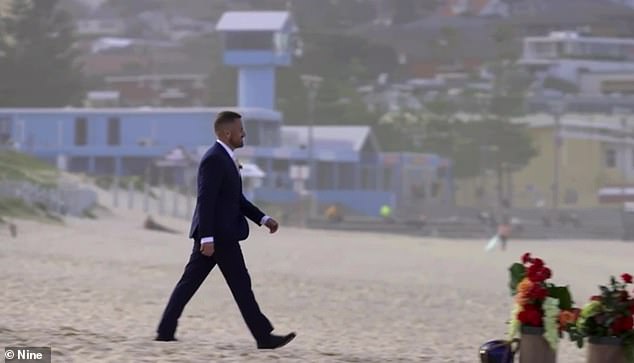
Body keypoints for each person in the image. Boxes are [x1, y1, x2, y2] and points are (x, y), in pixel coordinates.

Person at [155, 111, 296, 349]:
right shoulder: (214, 159)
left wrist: (263, 218)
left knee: (190, 284)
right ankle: (263, 337)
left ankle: (165, 330)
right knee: (241, 284)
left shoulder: (226, 158)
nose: (244, 133)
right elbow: (206, 200)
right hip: (218, 237)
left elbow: (236, 199)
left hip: (219, 235)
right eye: (241, 129)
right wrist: (207, 238)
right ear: (227, 133)